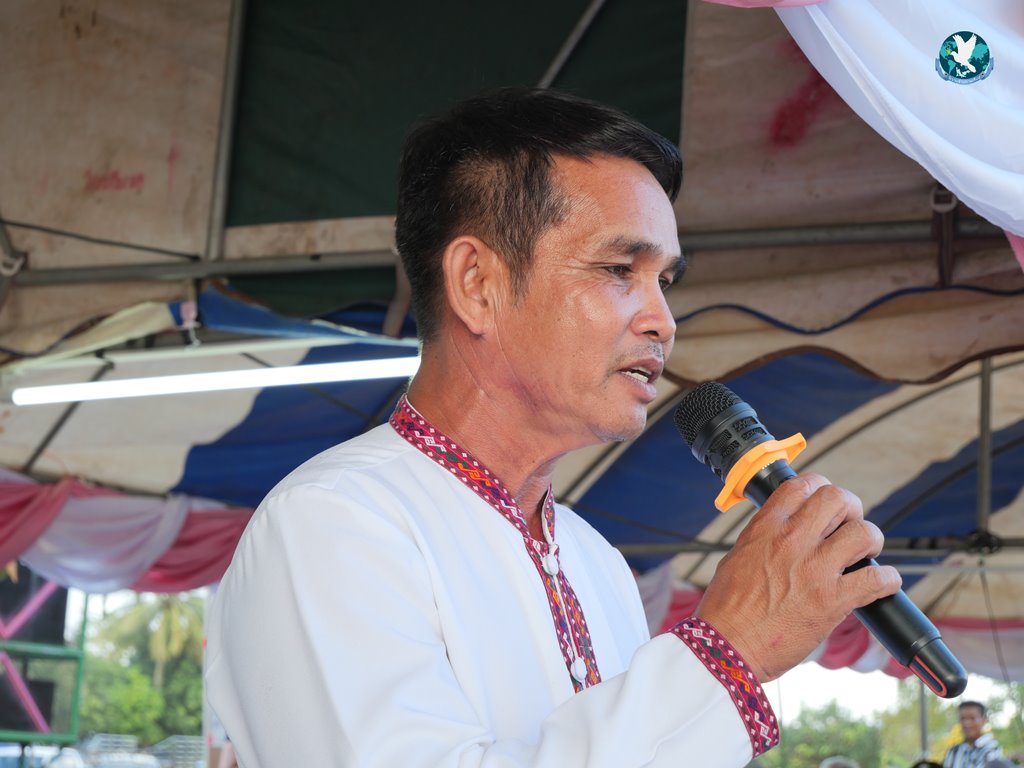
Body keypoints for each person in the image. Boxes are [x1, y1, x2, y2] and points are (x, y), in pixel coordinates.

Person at [205, 86, 900, 767]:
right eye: (620, 269)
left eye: (666, 281)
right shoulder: (332, 523)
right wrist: (730, 652)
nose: (663, 321)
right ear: (477, 285)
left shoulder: (597, 562)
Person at [943, 701, 1004, 767]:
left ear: (984, 720)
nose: (966, 723)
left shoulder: (992, 749)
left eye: (972, 718)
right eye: (962, 718)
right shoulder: (954, 751)